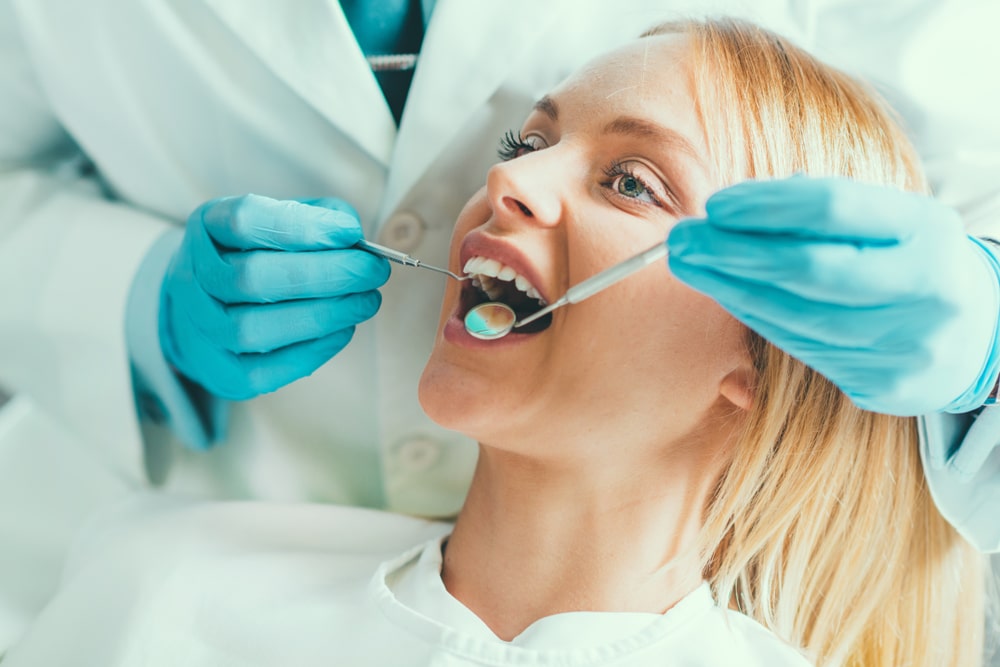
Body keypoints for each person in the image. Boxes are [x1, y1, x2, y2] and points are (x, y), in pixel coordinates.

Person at [1, 0, 998, 647]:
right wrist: (117, 292)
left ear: (764, 353)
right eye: (528, 138)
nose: (504, 176)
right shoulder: (155, 595)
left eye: (631, 180)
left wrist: (983, 332)